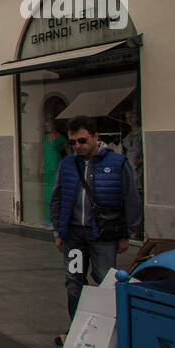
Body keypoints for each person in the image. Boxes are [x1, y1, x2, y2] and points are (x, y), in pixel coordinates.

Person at [50, 115, 142, 335]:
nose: (77, 146)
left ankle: (109, 330)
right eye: (73, 142)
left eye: (82, 141)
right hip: (73, 235)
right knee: (74, 282)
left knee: (104, 280)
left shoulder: (117, 162)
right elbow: (57, 197)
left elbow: (130, 198)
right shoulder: (68, 164)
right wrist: (58, 231)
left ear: (96, 137)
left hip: (104, 234)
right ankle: (77, 329)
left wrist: (126, 233)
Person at [41, 117, 67, 228]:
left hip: (56, 162)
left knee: (55, 191)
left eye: (49, 125)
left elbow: (68, 152)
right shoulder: (44, 138)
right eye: (46, 126)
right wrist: (41, 166)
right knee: (46, 193)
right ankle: (48, 217)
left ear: (54, 125)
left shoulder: (61, 138)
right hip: (46, 164)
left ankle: (57, 216)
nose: (48, 127)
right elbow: (43, 153)